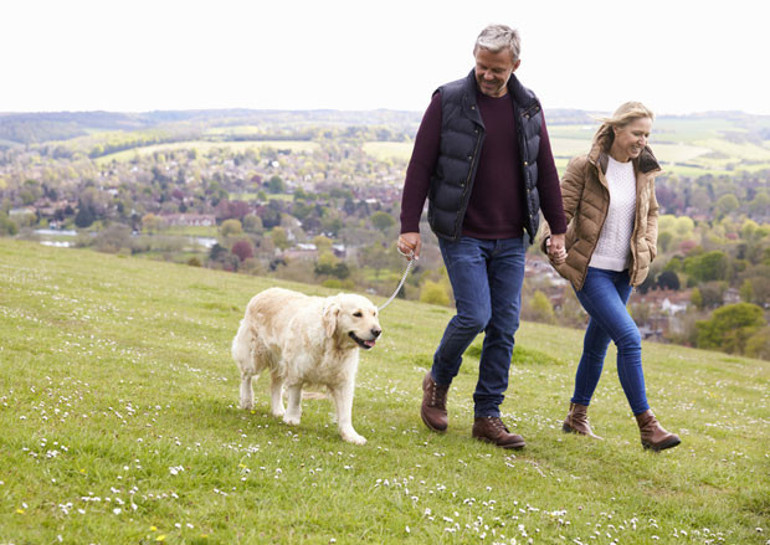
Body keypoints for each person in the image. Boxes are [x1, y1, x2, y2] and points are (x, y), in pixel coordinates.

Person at [397, 24, 567, 449]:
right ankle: (437, 381)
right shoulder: (449, 99)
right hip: (462, 231)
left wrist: (558, 228)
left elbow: (544, 170)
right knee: (475, 315)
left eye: (497, 70)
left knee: (505, 326)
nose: (487, 76)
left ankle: (487, 416)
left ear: (515, 65)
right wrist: (408, 225)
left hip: (511, 236)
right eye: (481, 67)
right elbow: (420, 165)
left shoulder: (528, 106)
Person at [541, 101, 681, 452]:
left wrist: (648, 247)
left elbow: (651, 214)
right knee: (630, 339)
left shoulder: (643, 170)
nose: (642, 141)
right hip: (591, 270)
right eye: (637, 133)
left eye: (647, 134)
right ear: (617, 130)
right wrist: (550, 240)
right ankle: (648, 426)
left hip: (624, 273)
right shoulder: (585, 166)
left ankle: (576, 416)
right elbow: (560, 210)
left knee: (597, 344)